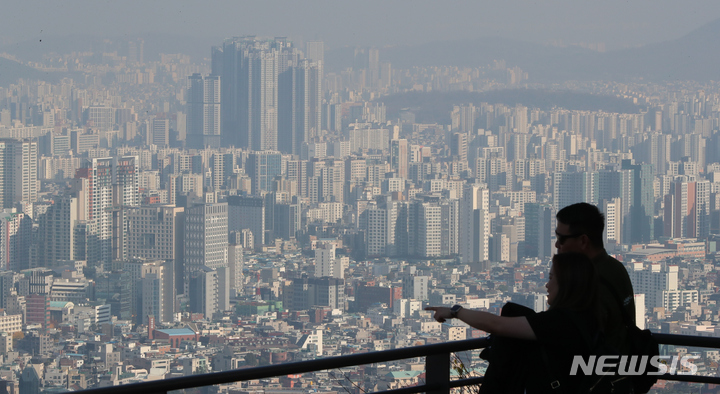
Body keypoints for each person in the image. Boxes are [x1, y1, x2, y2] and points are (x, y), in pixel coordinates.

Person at [426, 253, 605, 393]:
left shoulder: (559, 323)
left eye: (551, 278)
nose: (546, 285)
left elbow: (496, 325)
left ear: (566, 285)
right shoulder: (590, 318)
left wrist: (455, 311)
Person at [555, 202, 635, 353]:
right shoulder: (616, 268)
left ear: (583, 241)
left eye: (562, 239)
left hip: (595, 371)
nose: (557, 244)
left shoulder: (585, 281)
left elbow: (566, 333)